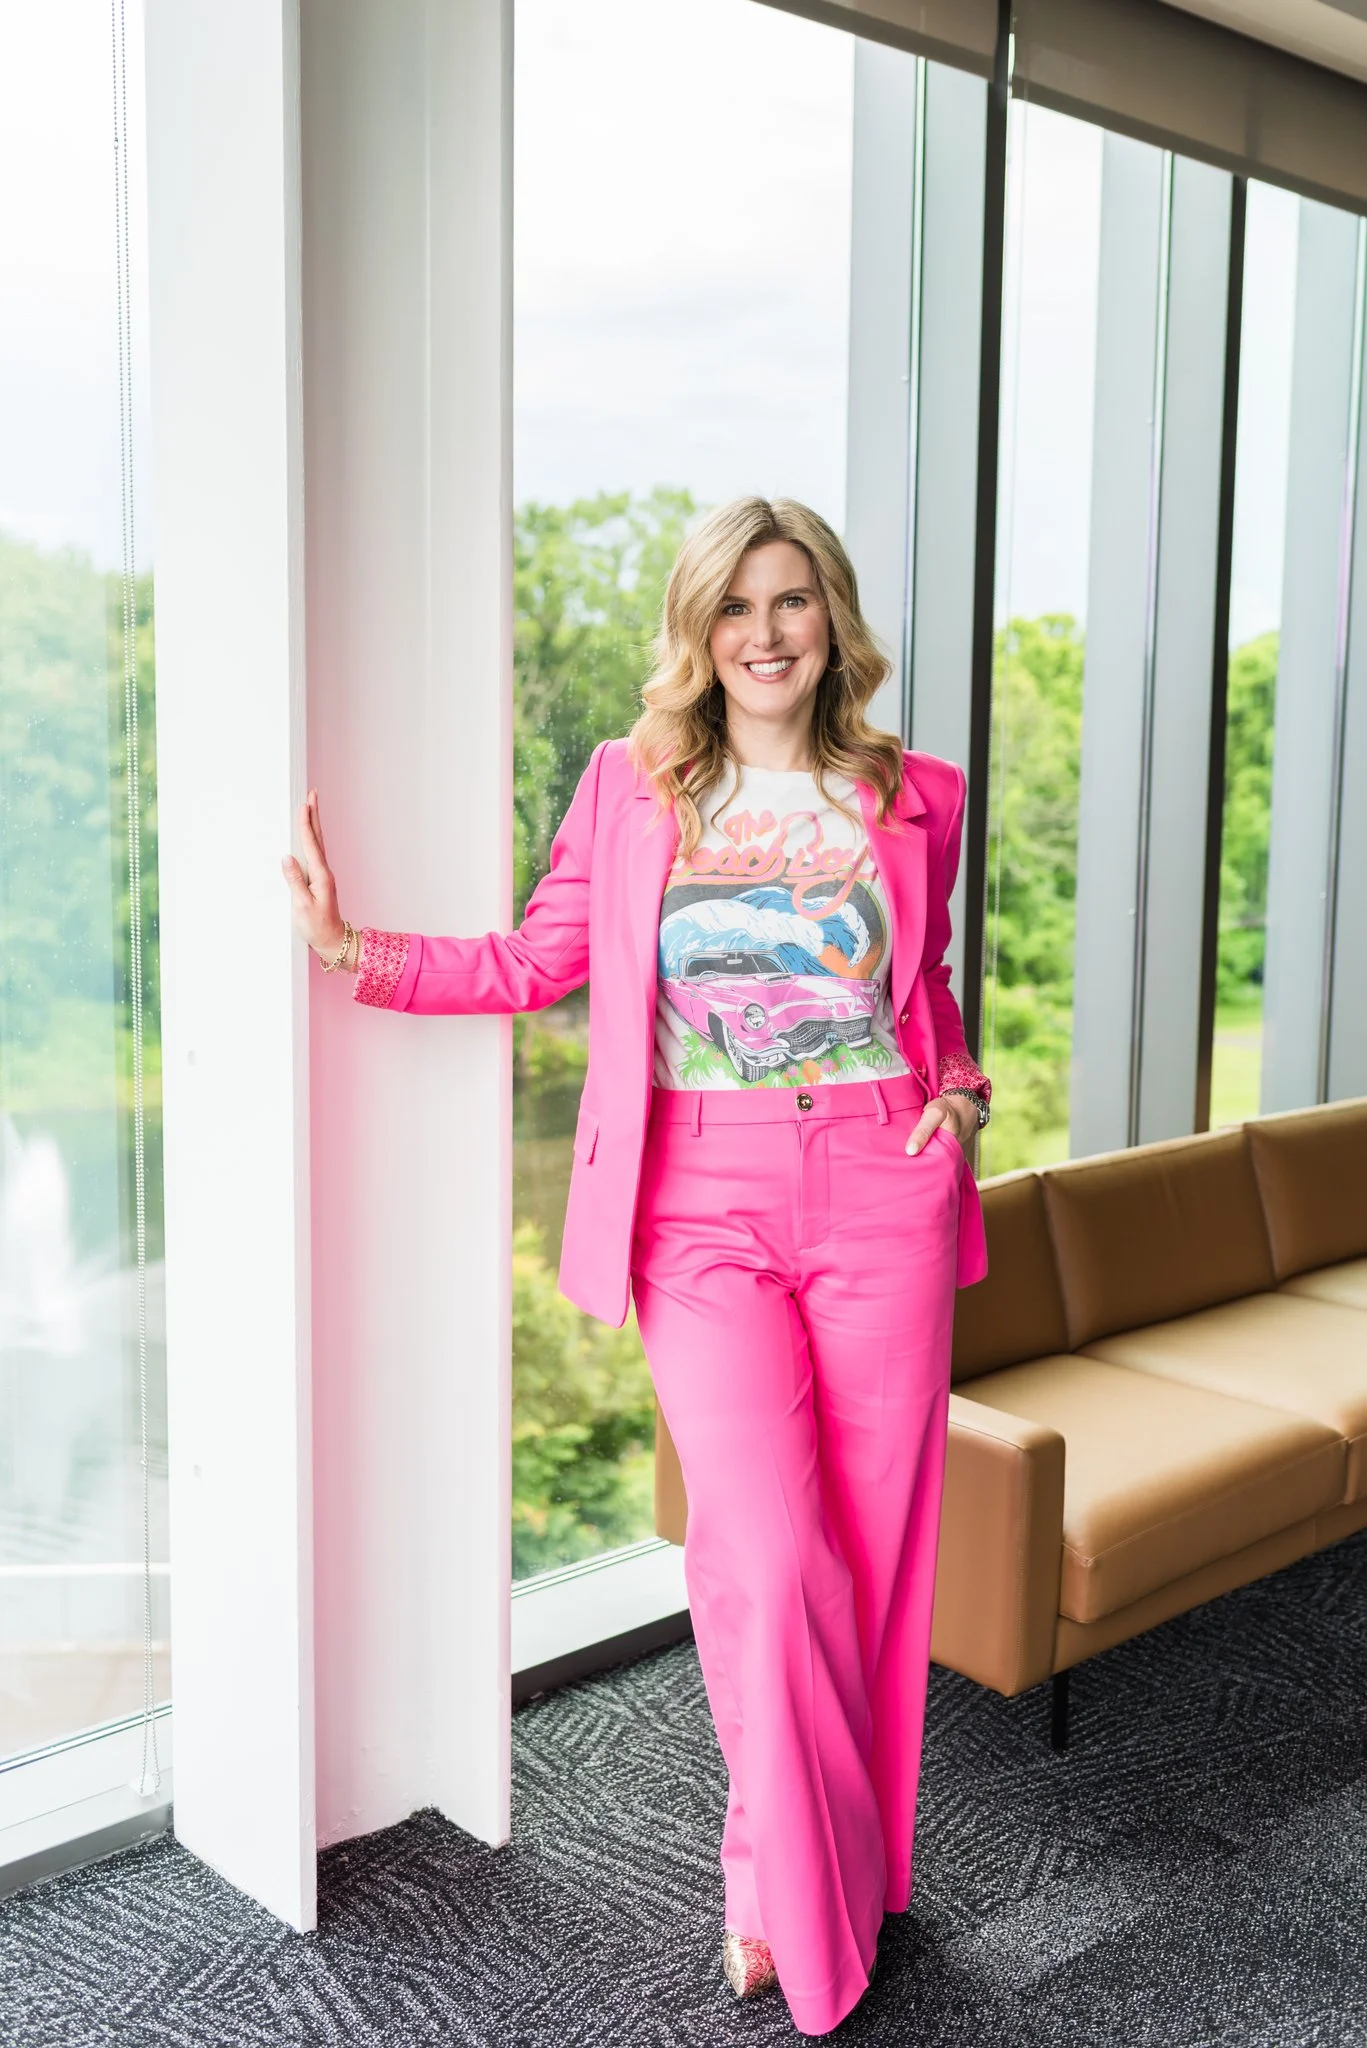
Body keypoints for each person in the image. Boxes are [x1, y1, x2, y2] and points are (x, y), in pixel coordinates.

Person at [282, 495, 991, 2039]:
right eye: (734, 607)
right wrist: (361, 954)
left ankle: (823, 1879)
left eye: (792, 602)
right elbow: (538, 961)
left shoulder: (913, 793)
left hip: (882, 1185)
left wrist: (955, 1096)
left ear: (832, 621)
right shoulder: (630, 790)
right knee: (765, 1555)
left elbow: (923, 991)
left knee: (868, 1572)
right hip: (701, 1206)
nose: (764, 633)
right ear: (697, 628)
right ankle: (787, 1896)